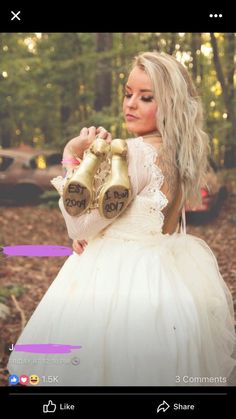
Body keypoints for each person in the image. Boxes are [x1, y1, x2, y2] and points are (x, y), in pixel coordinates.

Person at [8, 52, 236, 386]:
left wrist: (72, 154)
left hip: (118, 278)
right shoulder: (176, 155)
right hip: (166, 274)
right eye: (128, 93)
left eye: (146, 98)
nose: (130, 104)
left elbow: (79, 224)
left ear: (170, 104)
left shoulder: (132, 154)